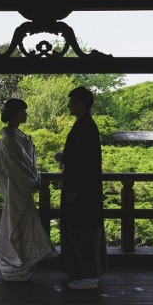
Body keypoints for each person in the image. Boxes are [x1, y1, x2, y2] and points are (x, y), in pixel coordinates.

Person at [0, 98, 58, 281]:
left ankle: (21, 265)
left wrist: (34, 179)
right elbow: (14, 168)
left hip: (22, 190)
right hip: (16, 191)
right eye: (22, 111)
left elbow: (24, 165)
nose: (25, 114)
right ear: (13, 114)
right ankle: (13, 266)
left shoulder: (18, 136)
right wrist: (33, 182)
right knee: (15, 226)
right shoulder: (8, 140)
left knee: (22, 227)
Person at [56, 86, 108, 289]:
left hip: (81, 191)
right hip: (84, 189)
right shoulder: (85, 125)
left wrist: (73, 190)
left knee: (82, 230)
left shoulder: (86, 127)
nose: (69, 105)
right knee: (80, 230)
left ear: (80, 103)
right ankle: (84, 273)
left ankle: (88, 276)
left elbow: (84, 163)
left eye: (71, 102)